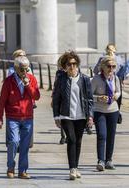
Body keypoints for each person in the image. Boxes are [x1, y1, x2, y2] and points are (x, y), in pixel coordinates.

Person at [0, 56, 40, 179]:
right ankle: (10, 167)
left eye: (27, 69)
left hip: (27, 117)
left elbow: (36, 96)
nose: (24, 72)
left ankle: (22, 170)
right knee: (14, 141)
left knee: (25, 145)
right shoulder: (9, 81)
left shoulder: (31, 79)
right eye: (22, 69)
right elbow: (2, 101)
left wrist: (28, 85)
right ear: (15, 68)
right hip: (12, 117)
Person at [52, 51, 94, 180]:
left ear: (78, 64)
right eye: (69, 64)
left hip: (81, 116)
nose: (72, 66)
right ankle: (72, 169)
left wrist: (90, 116)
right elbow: (56, 99)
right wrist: (56, 116)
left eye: (74, 64)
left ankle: (76, 167)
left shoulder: (85, 79)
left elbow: (90, 99)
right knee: (71, 139)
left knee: (79, 141)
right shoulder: (61, 79)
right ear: (65, 66)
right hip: (66, 115)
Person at [91, 56, 121, 171]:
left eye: (113, 66)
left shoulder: (115, 78)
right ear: (103, 67)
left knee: (111, 136)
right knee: (102, 135)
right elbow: (89, 95)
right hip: (99, 111)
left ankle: (109, 160)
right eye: (109, 66)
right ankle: (101, 160)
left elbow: (118, 91)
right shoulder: (96, 79)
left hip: (113, 110)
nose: (111, 69)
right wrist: (98, 98)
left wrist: (116, 96)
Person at [51, 54, 67, 144]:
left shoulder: (74, 71)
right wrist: (53, 98)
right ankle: (63, 136)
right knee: (61, 117)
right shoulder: (59, 73)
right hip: (60, 97)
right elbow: (55, 86)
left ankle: (67, 136)